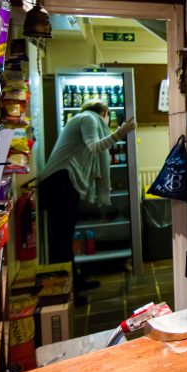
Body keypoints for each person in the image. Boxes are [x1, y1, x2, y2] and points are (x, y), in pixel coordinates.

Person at [40, 99, 136, 290]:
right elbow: (95, 147)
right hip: (60, 182)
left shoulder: (82, 118)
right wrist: (121, 132)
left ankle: (72, 283)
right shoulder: (88, 118)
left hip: (60, 181)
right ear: (105, 113)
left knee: (64, 237)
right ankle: (67, 288)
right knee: (62, 239)